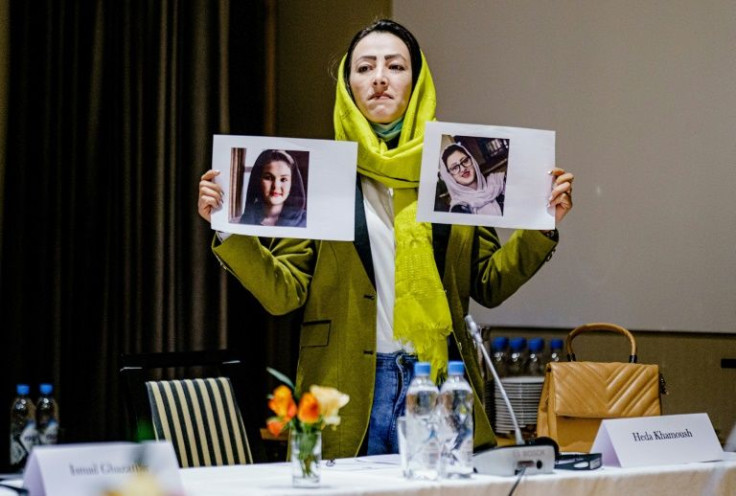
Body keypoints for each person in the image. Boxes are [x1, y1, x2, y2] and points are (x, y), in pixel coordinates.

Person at [197, 19, 574, 460]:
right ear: (347, 84)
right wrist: (227, 227)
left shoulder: (450, 171)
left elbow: (488, 283)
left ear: (416, 83)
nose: (379, 77)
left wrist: (542, 225)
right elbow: (284, 294)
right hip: (347, 390)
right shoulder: (322, 174)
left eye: (395, 66)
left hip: (439, 382)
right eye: (364, 68)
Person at [239, 149, 307, 227]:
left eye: (283, 179)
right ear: (258, 180)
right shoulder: (243, 220)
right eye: (268, 178)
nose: (276, 186)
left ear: (292, 183)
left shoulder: (305, 221)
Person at [438, 142, 506, 215]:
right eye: (455, 168)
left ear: (472, 160)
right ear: (449, 177)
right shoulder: (459, 209)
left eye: (465, 161)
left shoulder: (500, 181)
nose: (463, 168)